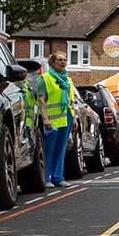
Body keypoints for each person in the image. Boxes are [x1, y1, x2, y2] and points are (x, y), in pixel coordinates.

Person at [41, 51, 78, 189]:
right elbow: (41, 100)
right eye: (59, 60)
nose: (63, 62)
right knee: (48, 150)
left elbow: (70, 100)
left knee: (61, 149)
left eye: (64, 60)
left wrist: (73, 118)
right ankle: (47, 177)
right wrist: (45, 118)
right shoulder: (44, 78)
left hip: (66, 117)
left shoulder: (68, 80)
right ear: (52, 62)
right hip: (50, 119)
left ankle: (58, 177)